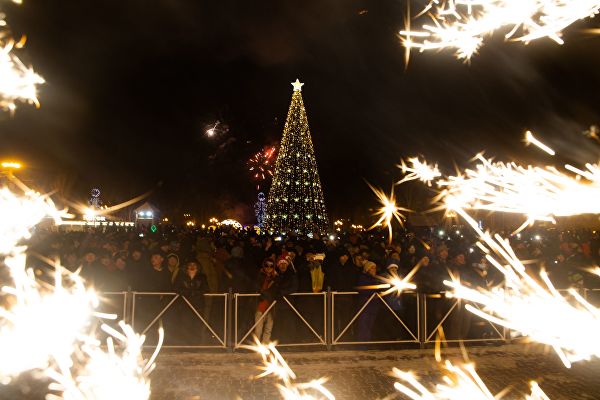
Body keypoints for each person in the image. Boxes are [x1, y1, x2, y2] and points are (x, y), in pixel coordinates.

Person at [356, 261, 381, 344]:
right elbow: (363, 289)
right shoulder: (363, 278)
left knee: (370, 325)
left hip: (373, 305)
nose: (374, 270)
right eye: (372, 268)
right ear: (367, 269)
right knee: (363, 324)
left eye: (375, 268)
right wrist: (373, 291)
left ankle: (367, 343)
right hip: (365, 304)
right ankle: (362, 344)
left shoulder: (376, 278)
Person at [254, 258, 277, 342]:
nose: (269, 268)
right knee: (258, 330)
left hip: (270, 308)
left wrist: (274, 278)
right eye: (267, 265)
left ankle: (265, 346)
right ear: (263, 266)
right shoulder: (260, 276)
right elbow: (258, 288)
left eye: (271, 266)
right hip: (260, 307)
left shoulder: (275, 278)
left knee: (268, 329)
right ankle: (257, 347)